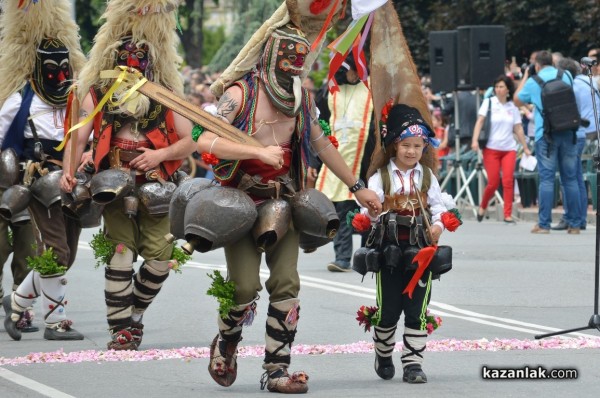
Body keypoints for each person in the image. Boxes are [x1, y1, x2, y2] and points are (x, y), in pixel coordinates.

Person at [197, 24, 381, 393]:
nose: (295, 65)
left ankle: (277, 368)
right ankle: (227, 340)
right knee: (244, 287)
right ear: (270, 53)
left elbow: (323, 144)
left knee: (286, 283)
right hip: (239, 202)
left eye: (300, 59)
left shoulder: (300, 97)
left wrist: (357, 186)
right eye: (289, 56)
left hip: (284, 199)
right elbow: (205, 137)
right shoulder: (240, 92)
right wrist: (255, 151)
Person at [60, 0, 194, 350]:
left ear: (151, 60)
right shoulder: (98, 91)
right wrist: (68, 171)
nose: (131, 61)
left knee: (160, 260)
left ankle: (132, 315)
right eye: (125, 54)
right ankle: (120, 330)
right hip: (113, 184)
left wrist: (160, 155)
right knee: (120, 253)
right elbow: (78, 134)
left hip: (157, 185)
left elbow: (192, 139)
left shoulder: (164, 95)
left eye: (139, 55)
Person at [1, 0, 87, 341]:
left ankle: (20, 301)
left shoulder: (77, 97)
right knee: (56, 250)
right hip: (36, 181)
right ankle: (56, 321)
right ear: (36, 65)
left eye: (64, 65)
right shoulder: (19, 98)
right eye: (51, 66)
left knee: (66, 252)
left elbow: (90, 135)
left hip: (73, 180)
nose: (59, 73)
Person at [359, 104, 446, 384]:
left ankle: (412, 364)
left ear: (424, 148)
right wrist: (372, 211)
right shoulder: (380, 176)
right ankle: (383, 353)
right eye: (406, 145)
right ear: (395, 145)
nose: (411, 151)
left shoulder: (428, 176)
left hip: (421, 251)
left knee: (417, 310)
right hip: (389, 251)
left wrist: (438, 225)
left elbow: (441, 208)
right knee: (388, 311)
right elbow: (367, 214)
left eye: (417, 146)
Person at [314, 55, 374, 272]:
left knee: (368, 212)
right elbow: (318, 128)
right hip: (337, 164)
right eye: (352, 70)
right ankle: (342, 257)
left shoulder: (371, 90)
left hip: (366, 162)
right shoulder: (329, 92)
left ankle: (368, 254)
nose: (356, 75)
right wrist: (315, 161)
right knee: (341, 211)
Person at [514, 50, 580, 234]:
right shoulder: (565, 74)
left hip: (546, 134)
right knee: (570, 178)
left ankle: (544, 224)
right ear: (552, 61)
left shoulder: (534, 81)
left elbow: (517, 100)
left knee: (547, 179)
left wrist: (527, 75)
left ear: (537, 65)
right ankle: (574, 224)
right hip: (568, 130)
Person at [471, 75, 531, 223]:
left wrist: (525, 147)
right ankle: (483, 206)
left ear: (508, 89)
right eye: (496, 87)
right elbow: (480, 122)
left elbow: (518, 128)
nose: (498, 89)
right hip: (491, 148)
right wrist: (474, 141)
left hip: (509, 148)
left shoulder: (513, 107)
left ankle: (507, 214)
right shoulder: (489, 102)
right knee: (493, 182)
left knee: (508, 181)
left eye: (501, 87)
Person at [552, 58, 597, 231]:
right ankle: (580, 218)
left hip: (578, 131)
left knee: (569, 177)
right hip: (591, 131)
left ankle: (572, 217)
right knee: (577, 178)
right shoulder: (588, 82)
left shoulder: (571, 86)